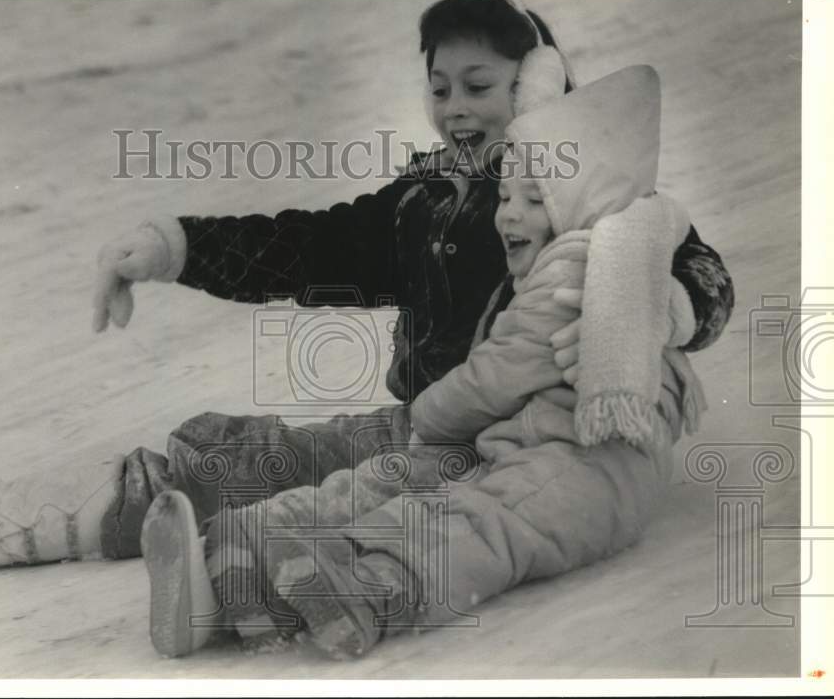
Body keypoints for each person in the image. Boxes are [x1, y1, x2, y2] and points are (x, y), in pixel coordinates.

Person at [0, 0, 734, 655]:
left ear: (536, 88)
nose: (455, 109)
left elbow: (695, 267)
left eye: (479, 85)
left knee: (369, 507)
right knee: (256, 454)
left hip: (499, 449)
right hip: (421, 425)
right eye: (440, 87)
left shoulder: (589, 197)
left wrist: (670, 304)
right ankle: (16, 528)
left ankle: (239, 584)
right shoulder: (423, 204)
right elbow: (311, 244)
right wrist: (178, 248)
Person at [140, 63, 711, 660]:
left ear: (582, 204)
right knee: (402, 481)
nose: (508, 214)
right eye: (507, 196)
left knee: (484, 523)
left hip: (590, 469)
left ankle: (365, 586)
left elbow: (497, 376)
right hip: (520, 439)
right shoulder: (562, 255)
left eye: (534, 200)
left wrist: (427, 418)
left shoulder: (580, 268)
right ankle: (238, 567)